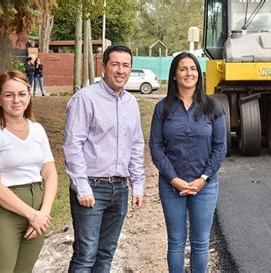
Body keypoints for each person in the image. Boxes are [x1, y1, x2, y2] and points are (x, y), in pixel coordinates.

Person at [63, 45, 145, 272]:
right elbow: (72, 145)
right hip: (92, 187)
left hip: (120, 190)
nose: (121, 70)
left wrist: (137, 185)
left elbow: (136, 145)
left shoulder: (132, 103)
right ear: (104, 66)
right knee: (85, 255)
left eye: (126, 65)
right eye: (115, 64)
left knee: (106, 254)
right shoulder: (85, 99)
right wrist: (82, 187)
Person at [149, 52, 226, 273]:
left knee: (201, 243)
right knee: (176, 242)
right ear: (174, 75)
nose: (188, 73)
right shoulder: (162, 108)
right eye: (183, 69)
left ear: (199, 75)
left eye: (192, 68)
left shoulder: (213, 107)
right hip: (171, 185)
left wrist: (203, 179)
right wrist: (174, 179)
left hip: (205, 186)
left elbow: (220, 147)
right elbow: (156, 147)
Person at [0, 70, 58, 273]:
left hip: (39, 210)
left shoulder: (37, 129)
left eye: (22, 94)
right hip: (5, 214)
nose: (16, 100)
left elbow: (50, 173)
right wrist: (31, 215)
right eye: (9, 95)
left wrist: (43, 213)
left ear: (29, 96)